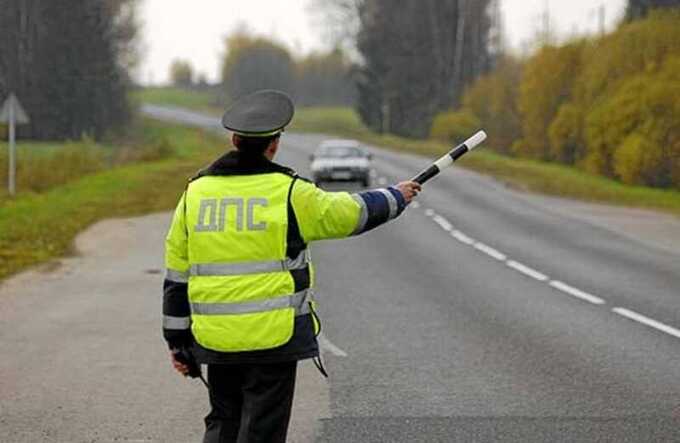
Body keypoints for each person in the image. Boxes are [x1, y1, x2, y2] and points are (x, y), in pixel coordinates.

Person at [162, 89, 421, 443]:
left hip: (216, 339)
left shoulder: (196, 193)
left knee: (224, 422)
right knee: (262, 429)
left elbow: (176, 275)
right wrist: (395, 196)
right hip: (274, 338)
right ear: (275, 144)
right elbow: (349, 213)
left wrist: (178, 344)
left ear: (234, 140)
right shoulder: (290, 192)